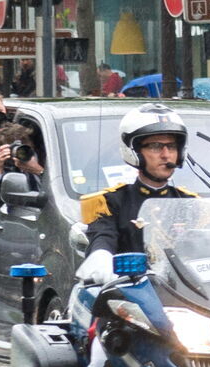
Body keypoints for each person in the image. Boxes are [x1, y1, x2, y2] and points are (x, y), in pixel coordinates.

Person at [74, 105, 196, 285]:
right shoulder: (111, 202)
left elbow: (209, 246)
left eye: (171, 146)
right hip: (129, 294)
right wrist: (102, 257)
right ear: (135, 152)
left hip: (185, 293)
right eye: (156, 147)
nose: (166, 155)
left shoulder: (190, 204)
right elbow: (103, 236)